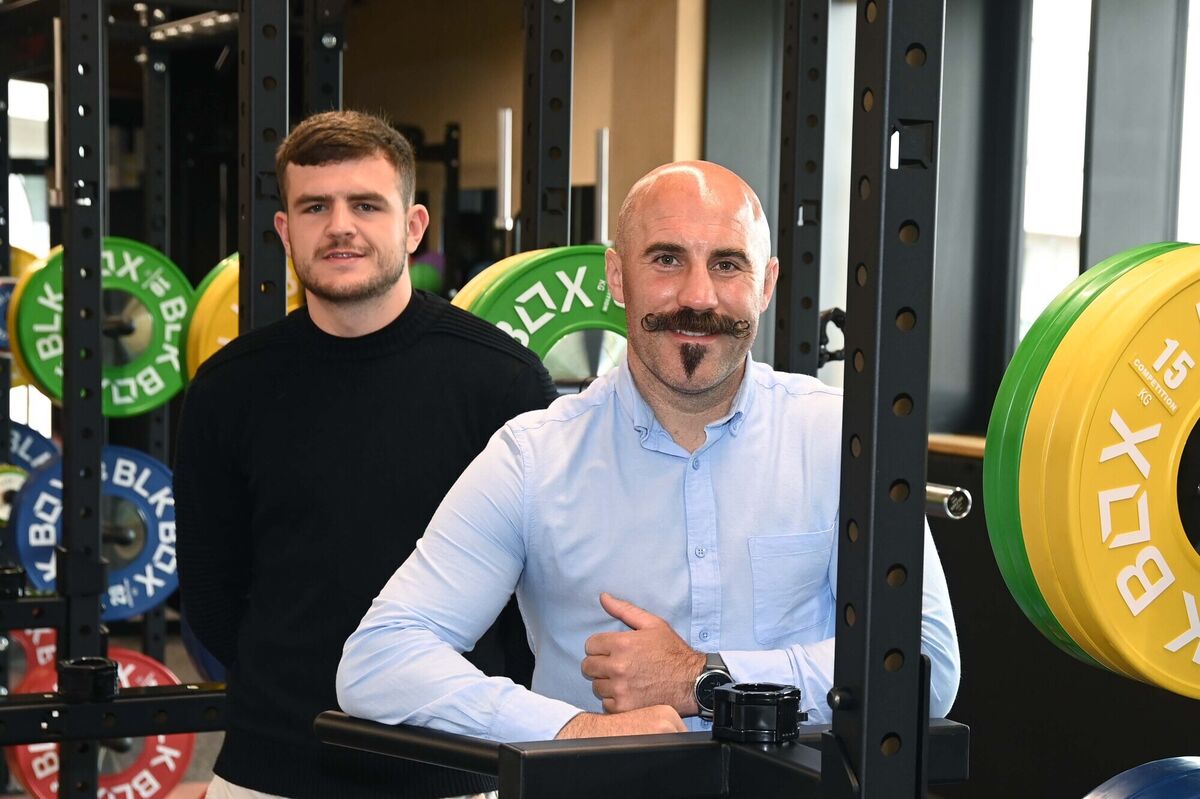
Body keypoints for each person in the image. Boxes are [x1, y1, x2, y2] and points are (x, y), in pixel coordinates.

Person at [336, 160, 960, 742]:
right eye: (666, 259)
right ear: (616, 277)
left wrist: (703, 679)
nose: (698, 296)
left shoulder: (839, 440)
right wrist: (574, 730)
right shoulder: (532, 460)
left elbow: (924, 663)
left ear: (766, 284)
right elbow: (380, 658)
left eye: (727, 264)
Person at [174, 110, 556, 798]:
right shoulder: (228, 388)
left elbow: (542, 592)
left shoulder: (503, 382)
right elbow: (211, 593)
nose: (340, 226)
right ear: (285, 231)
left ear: (413, 226)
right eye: (314, 207)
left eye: (366, 205)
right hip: (271, 766)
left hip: (455, 768)